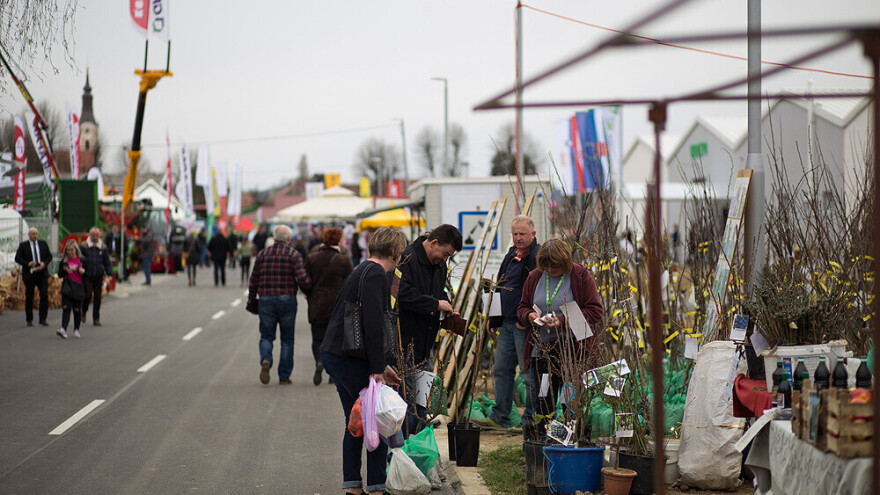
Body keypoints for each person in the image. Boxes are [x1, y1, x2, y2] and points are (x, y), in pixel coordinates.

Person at [320, 226, 406, 495]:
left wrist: (382, 366)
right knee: (376, 419)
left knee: (355, 421)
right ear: (393, 252)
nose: (399, 261)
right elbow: (373, 323)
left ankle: (353, 487)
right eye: (400, 256)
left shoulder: (361, 269)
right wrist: (378, 368)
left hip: (336, 353)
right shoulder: (377, 275)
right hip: (348, 358)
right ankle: (377, 488)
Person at [518, 239, 603, 417]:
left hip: (572, 350)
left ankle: (570, 438)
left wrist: (562, 321)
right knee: (543, 398)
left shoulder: (580, 275)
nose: (549, 270)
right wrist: (529, 316)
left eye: (554, 266)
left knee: (569, 399)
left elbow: (595, 311)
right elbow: (522, 307)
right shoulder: (534, 276)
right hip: (542, 351)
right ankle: (544, 437)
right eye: (546, 266)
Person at [475, 215, 540, 430]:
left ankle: (529, 421)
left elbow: (534, 292)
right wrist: (494, 318)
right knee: (501, 369)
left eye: (522, 234)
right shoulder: (511, 255)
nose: (518, 238)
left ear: (533, 234)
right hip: (507, 324)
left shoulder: (536, 258)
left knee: (529, 374)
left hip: (524, 325)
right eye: (515, 234)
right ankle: (500, 416)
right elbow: (500, 286)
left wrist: (526, 318)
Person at [396, 224, 463, 434]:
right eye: (445, 254)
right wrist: (435, 304)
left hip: (425, 347)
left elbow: (438, 293)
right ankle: (405, 453)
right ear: (433, 243)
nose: (445, 259)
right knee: (407, 406)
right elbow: (402, 294)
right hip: (405, 344)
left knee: (421, 403)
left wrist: (447, 307)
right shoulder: (406, 259)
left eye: (449, 256)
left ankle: (419, 450)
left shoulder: (440, 265)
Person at [247, 225, 311, 385]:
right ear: (288, 239)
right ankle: (284, 376)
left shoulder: (262, 254)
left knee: (266, 336)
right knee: (287, 339)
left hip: (266, 299)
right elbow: (302, 279)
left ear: (274, 238)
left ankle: (266, 359)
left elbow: (253, 279)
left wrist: (252, 297)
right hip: (287, 299)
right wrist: (309, 291)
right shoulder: (294, 255)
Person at [305, 227, 354, 386]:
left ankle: (319, 361)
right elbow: (350, 281)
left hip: (317, 303)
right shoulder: (343, 259)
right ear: (339, 240)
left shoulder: (312, 258)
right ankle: (332, 373)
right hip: (337, 304)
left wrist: (309, 293)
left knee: (317, 337)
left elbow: (305, 280)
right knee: (335, 340)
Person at [14, 227, 52, 326]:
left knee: (44, 295)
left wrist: (44, 264)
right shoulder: (23, 246)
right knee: (29, 296)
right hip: (30, 274)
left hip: (41, 273)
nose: (35, 236)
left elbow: (49, 256)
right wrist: (27, 263)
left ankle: (43, 319)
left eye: (36, 234)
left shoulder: (43, 244)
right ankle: (29, 319)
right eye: (33, 234)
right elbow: (17, 258)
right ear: (29, 235)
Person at [80, 226, 112, 326]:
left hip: (98, 275)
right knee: (88, 295)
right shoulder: (84, 246)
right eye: (93, 235)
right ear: (90, 235)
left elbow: (107, 262)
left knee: (98, 297)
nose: (95, 237)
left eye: (97, 235)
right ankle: (83, 312)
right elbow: (79, 259)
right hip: (87, 274)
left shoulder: (103, 247)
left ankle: (96, 318)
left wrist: (109, 274)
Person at [57, 240, 86, 339]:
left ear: (76, 250)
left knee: (77, 310)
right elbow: (59, 275)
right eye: (68, 250)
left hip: (78, 287)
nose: (70, 252)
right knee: (66, 308)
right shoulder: (64, 262)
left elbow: (88, 274)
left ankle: (76, 329)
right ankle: (63, 329)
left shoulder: (81, 260)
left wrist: (83, 272)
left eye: (71, 250)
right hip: (67, 287)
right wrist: (64, 271)